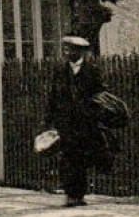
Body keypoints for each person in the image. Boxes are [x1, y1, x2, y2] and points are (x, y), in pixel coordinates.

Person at [45, 35, 113, 207]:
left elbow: (101, 95)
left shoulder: (92, 71)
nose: (67, 53)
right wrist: (49, 121)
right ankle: (70, 194)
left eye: (71, 50)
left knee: (82, 157)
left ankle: (79, 194)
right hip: (65, 122)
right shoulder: (59, 71)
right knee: (67, 157)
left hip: (85, 122)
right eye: (66, 49)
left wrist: (93, 112)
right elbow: (53, 97)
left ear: (81, 52)